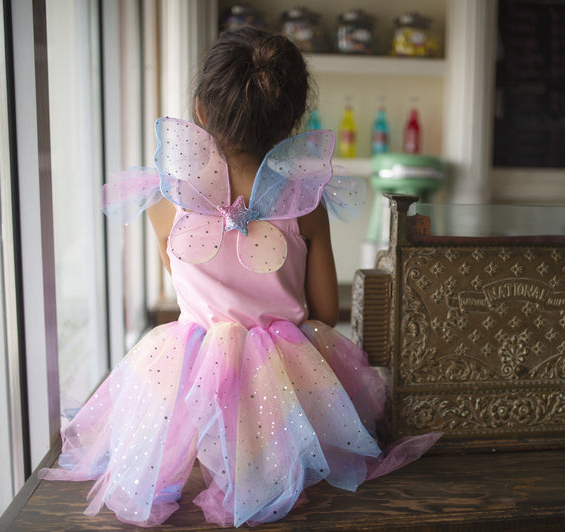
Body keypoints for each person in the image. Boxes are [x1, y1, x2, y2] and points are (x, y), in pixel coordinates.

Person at [39, 27, 441, 528]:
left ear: (200, 111)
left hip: (191, 376)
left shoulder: (166, 201)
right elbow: (323, 311)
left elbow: (182, 281)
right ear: (294, 120)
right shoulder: (305, 204)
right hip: (288, 387)